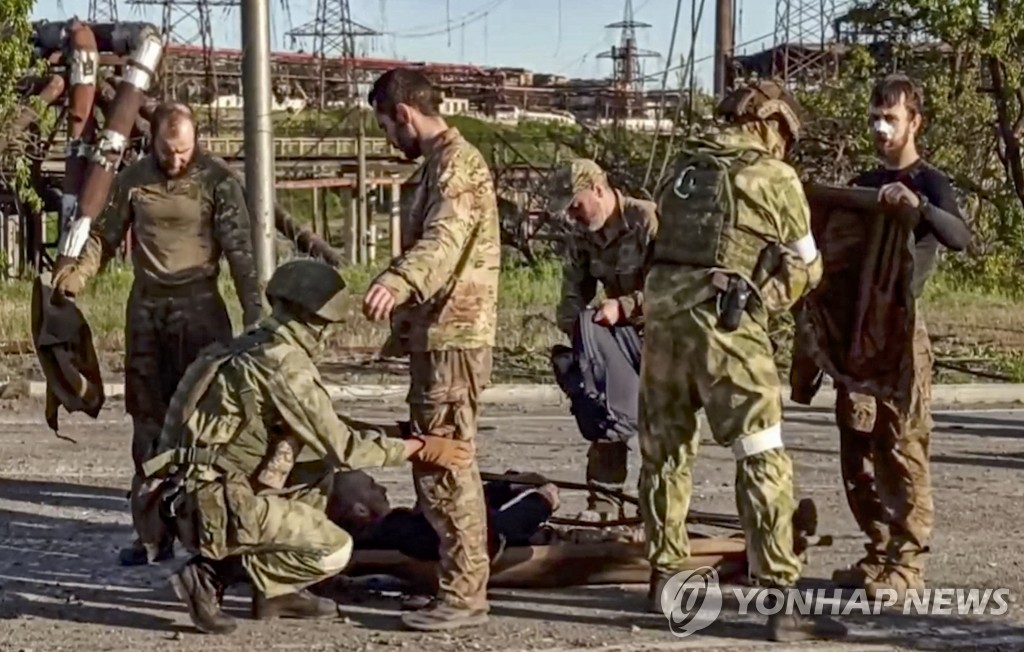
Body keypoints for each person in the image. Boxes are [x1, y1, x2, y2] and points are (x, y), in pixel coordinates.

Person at [138, 258, 476, 635]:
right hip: (211, 506)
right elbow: (345, 448)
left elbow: (317, 430)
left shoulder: (247, 347)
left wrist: (390, 432)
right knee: (334, 550)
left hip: (181, 496)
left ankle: (279, 594)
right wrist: (419, 448)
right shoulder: (285, 365)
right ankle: (211, 574)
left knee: (315, 470)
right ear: (317, 320)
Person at [642, 80, 845, 641]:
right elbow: (808, 265)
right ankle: (781, 600)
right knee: (760, 454)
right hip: (725, 329)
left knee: (665, 453)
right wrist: (768, 299)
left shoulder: (681, 168)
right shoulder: (774, 177)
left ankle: (664, 576)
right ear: (770, 125)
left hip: (662, 324)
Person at [51, 101, 263, 567]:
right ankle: (151, 533)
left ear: (196, 142)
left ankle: (208, 534)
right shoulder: (135, 178)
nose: (175, 161)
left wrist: (256, 315)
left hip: (201, 312)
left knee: (205, 425)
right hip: (146, 313)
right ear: (153, 143)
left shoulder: (217, 182)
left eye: (184, 151)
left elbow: (241, 255)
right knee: (147, 423)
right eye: (168, 152)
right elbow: (104, 237)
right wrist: (76, 279)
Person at [362, 68, 501, 631]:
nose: (388, 140)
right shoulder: (439, 165)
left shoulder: (457, 167)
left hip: (455, 338)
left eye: (385, 126)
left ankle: (465, 594)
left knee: (447, 464)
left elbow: (442, 242)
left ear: (403, 114)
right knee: (434, 465)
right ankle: (454, 583)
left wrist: (397, 282)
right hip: (438, 336)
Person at [831, 74, 969, 598]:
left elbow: (959, 238)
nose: (880, 127)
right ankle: (878, 550)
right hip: (858, 330)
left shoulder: (929, 181)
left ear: (915, 121)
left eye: (891, 117)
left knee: (903, 447)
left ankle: (908, 564)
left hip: (903, 332)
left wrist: (920, 210)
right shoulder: (864, 182)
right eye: (873, 117)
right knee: (857, 448)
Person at [546, 158, 658, 521]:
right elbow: (572, 292)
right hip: (617, 339)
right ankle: (604, 507)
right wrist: (581, 332)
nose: (573, 215)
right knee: (605, 417)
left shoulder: (647, 221)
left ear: (598, 189)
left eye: (576, 205)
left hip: (663, 336)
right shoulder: (583, 234)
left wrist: (624, 307)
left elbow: (675, 289)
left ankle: (656, 511)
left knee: (662, 432)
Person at [328, 470, 560, 560]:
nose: (383, 489)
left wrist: (501, 488)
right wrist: (540, 503)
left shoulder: (392, 530)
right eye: (372, 487)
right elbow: (480, 536)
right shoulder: (396, 530)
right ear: (360, 510)